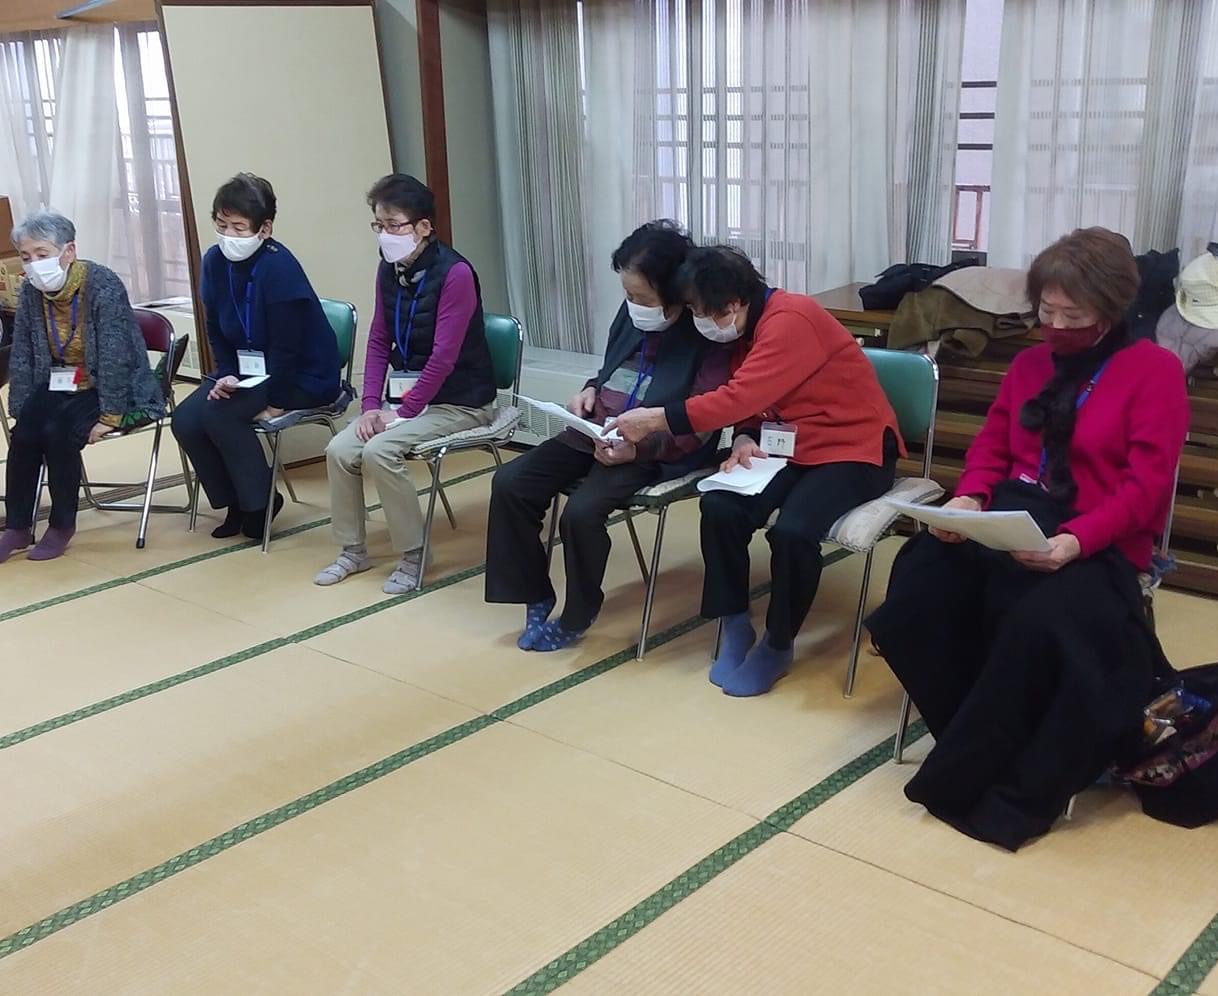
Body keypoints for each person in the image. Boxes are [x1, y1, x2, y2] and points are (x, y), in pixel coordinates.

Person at [863, 227, 1189, 850]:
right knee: (917, 592)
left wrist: (1074, 542)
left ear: (1112, 308)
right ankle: (973, 737)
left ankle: (1001, 774)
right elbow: (993, 446)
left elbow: (1146, 490)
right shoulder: (1029, 364)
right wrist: (968, 499)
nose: (1056, 326)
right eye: (1047, 311)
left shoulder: (1155, 371)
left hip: (1099, 538)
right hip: (1013, 517)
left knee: (1039, 623)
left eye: (1074, 315)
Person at [610, 246, 901, 697]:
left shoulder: (791, 319)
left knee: (794, 532)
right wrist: (745, 435)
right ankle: (734, 620)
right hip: (786, 446)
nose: (698, 320)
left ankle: (778, 643)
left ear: (734, 303)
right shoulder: (741, 327)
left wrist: (656, 418)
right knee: (720, 506)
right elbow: (748, 398)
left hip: (855, 449)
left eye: (702, 312)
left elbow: (741, 395)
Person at [483, 221, 729, 650]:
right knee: (511, 483)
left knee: (580, 513)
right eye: (628, 295)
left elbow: (703, 421)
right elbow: (613, 369)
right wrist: (590, 389)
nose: (633, 305)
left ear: (675, 293)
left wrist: (640, 446)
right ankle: (534, 591)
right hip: (596, 428)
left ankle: (578, 613)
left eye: (642, 298)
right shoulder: (633, 314)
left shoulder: (705, 331)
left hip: (657, 447)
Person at [315, 174, 494, 593]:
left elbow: (444, 357)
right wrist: (371, 406)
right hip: (409, 400)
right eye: (378, 225)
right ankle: (353, 550)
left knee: (380, 450)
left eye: (394, 225)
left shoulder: (456, 273)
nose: (385, 234)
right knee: (340, 449)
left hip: (461, 401)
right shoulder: (389, 268)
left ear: (423, 227)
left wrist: (401, 414)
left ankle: (414, 554)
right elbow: (379, 339)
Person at [0, 210, 164, 567]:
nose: (34, 264)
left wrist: (111, 415)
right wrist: (22, 406)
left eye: (42, 254)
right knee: (25, 435)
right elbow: (24, 351)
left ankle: (62, 525)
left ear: (69, 251)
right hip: (60, 380)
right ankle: (17, 527)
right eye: (26, 257)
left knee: (59, 433)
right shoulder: (31, 290)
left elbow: (115, 354)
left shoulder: (102, 284)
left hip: (109, 385)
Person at [171, 174, 343, 540]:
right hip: (247, 372)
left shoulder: (279, 267)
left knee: (220, 415)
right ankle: (235, 501)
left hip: (298, 375)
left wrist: (277, 402)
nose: (228, 235)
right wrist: (226, 374)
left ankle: (261, 502)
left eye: (238, 227)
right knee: (186, 419)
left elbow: (287, 346)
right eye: (222, 225)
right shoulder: (214, 262)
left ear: (264, 229)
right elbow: (215, 327)